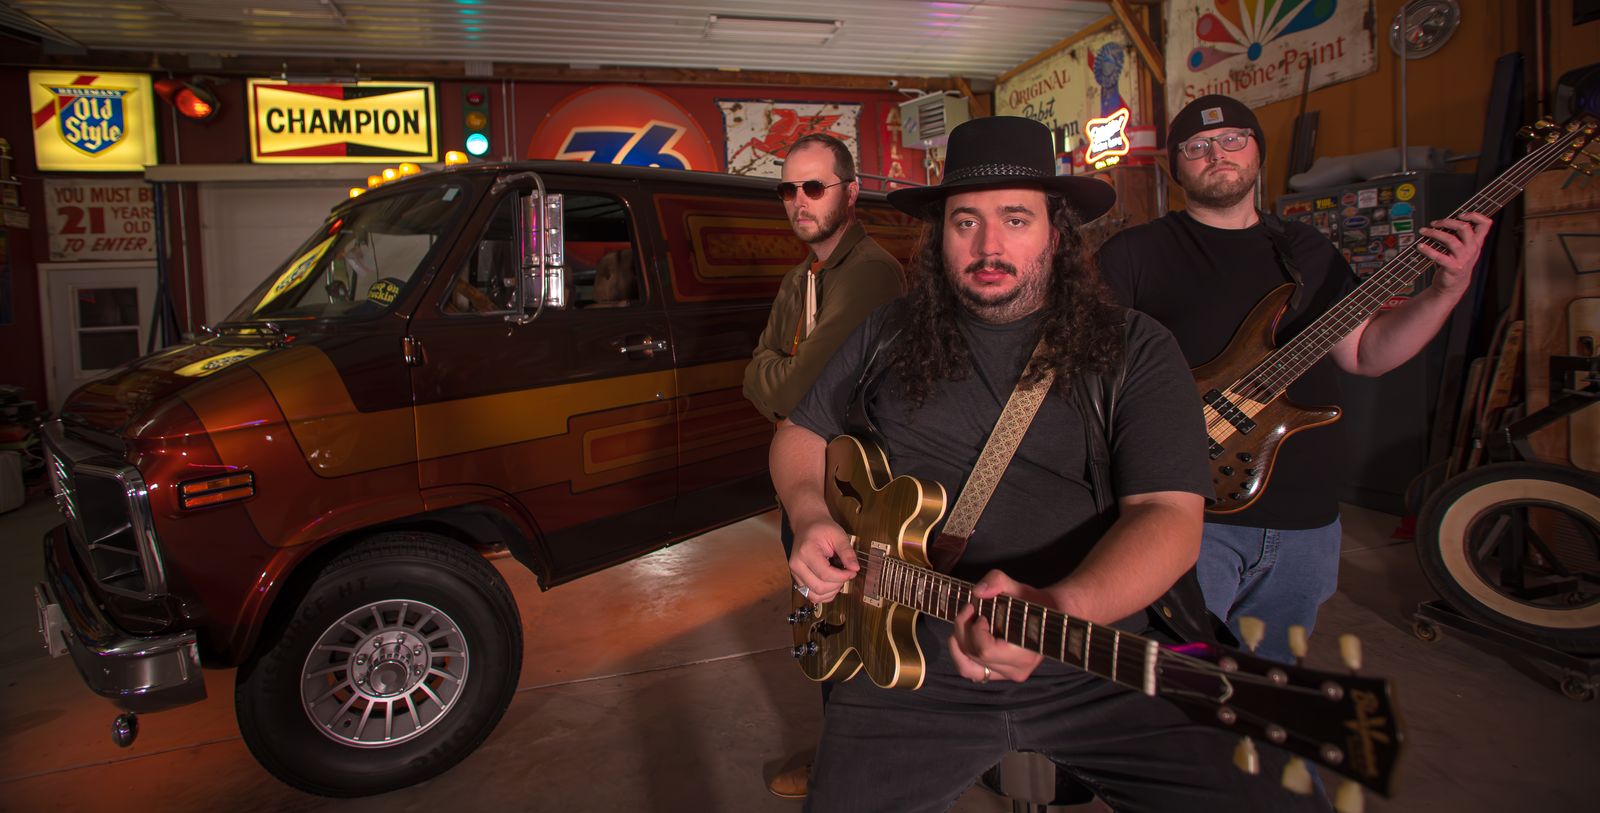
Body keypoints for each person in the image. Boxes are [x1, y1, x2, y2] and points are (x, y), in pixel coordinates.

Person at [775, 115, 1326, 813]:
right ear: (939, 237)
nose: (989, 245)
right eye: (965, 222)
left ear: (1056, 235)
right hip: (905, 654)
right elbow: (799, 434)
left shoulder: (1135, 347)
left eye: (1016, 219)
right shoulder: (887, 332)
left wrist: (1061, 610)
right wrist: (810, 514)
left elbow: (1169, 516)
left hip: (1096, 647)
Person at [1097, 94, 1491, 664]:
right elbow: (1091, 373)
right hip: (1188, 512)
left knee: (1275, 678)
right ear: (1176, 165)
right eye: (1197, 146)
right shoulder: (1134, 253)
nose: (1217, 153)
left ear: (1257, 151)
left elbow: (1366, 354)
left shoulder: (1306, 249)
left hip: (1307, 519)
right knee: (1183, 675)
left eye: (1233, 139)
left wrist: (1445, 292)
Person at [742, 132, 905, 799]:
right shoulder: (801, 277)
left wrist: (781, 372)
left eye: (814, 186)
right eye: (788, 188)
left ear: (851, 192)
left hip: (857, 483)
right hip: (810, 473)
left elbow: (791, 389)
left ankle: (854, 773)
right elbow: (759, 375)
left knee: (859, 630)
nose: (799, 201)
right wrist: (780, 373)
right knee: (825, 624)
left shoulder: (869, 273)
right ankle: (842, 756)